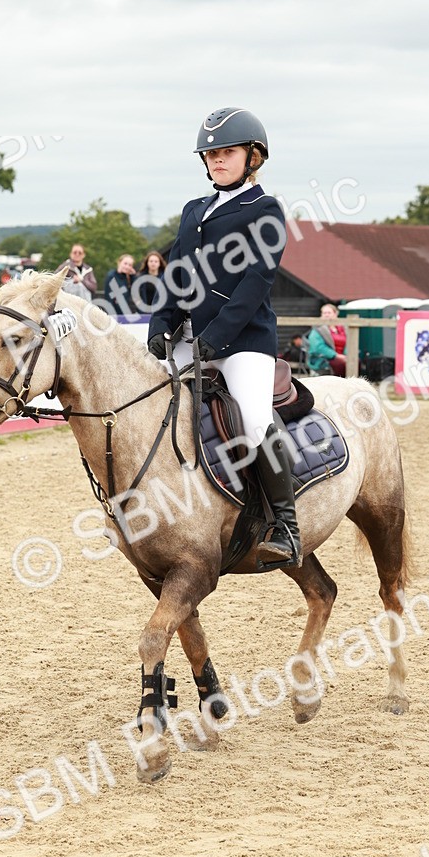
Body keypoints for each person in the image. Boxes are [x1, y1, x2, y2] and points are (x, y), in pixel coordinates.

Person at [146, 106, 299, 567]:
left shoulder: (265, 210)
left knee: (253, 419)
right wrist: (160, 326)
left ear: (254, 157)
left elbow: (254, 285)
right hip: (192, 339)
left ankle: (286, 525)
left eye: (227, 152)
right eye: (210, 154)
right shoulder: (194, 211)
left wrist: (214, 339)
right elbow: (176, 276)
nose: (216, 160)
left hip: (244, 341)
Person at [308, 302, 347, 376]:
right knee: (341, 364)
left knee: (356, 362)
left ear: (335, 314)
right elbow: (318, 347)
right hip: (325, 358)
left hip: (343, 356)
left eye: (329, 312)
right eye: (324, 313)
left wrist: (347, 355)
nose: (326, 315)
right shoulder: (317, 329)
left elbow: (349, 343)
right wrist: (336, 355)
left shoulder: (343, 328)